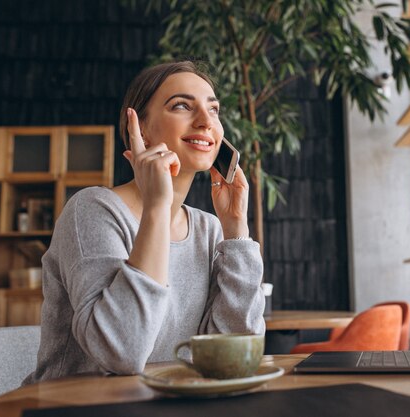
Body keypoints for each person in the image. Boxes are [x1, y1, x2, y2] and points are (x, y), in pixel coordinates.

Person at [24, 61, 265, 384]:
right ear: (140, 129)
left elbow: (235, 351)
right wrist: (156, 208)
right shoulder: (93, 210)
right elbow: (121, 354)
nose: (206, 121)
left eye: (214, 109)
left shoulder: (209, 230)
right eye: (181, 105)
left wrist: (236, 231)